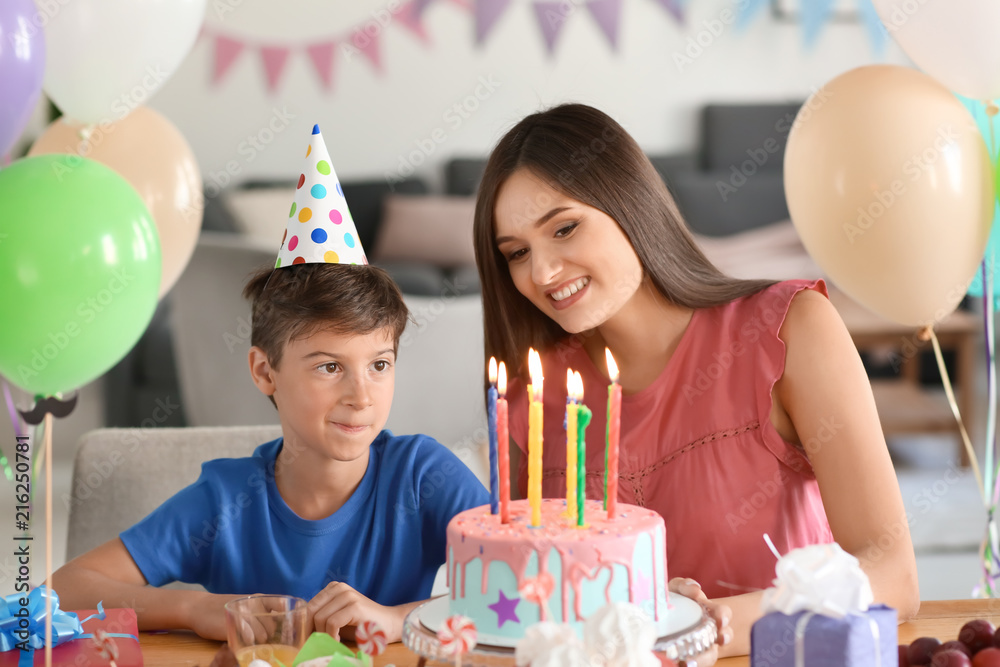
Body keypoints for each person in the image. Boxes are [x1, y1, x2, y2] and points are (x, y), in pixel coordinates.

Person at [472, 103, 919, 659]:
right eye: (516, 254)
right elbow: (535, 604)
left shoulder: (789, 329)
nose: (541, 273)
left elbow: (893, 577)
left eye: (564, 228)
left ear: (628, 203)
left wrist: (709, 622)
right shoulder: (532, 396)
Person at [53, 125, 489, 646]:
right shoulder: (226, 500)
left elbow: (525, 585)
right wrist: (195, 607)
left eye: (379, 365)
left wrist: (400, 618)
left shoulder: (422, 477)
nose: (362, 395)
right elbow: (67, 588)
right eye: (329, 367)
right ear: (264, 371)